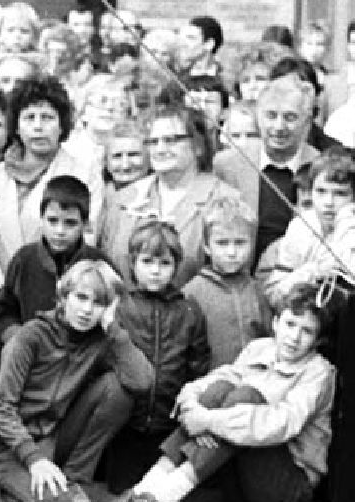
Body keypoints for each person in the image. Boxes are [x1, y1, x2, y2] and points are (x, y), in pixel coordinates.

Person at [102, 284, 335, 502]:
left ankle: (168, 496)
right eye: (290, 324)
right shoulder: (260, 348)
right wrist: (191, 407)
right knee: (221, 389)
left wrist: (209, 421)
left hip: (284, 488)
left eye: (307, 331)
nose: (294, 337)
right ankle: (145, 489)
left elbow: (282, 423)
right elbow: (215, 380)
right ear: (276, 323)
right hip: (240, 482)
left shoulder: (318, 372)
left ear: (317, 340)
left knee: (246, 396)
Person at [0, 258, 153, 502]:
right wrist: (34, 459)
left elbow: (142, 382)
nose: (86, 310)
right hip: (10, 446)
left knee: (118, 388)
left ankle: (73, 480)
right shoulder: (30, 337)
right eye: (81, 297)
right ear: (64, 296)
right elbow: (0, 409)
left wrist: (113, 330)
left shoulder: (101, 339)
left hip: (55, 435)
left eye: (98, 303)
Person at [0, 72, 104, 289]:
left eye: (47, 118)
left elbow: (87, 237)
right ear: (16, 127)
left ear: (62, 125)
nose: (38, 126)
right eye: (29, 117)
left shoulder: (83, 174)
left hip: (59, 295)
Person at [105, 219, 210, 490]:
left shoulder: (188, 310)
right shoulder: (121, 306)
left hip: (168, 425)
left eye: (164, 264)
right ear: (133, 263)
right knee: (121, 489)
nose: (155, 271)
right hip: (126, 426)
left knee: (157, 492)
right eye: (148, 262)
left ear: (176, 266)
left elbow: (197, 365)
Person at [100, 99, 240, 285]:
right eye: (153, 141)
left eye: (170, 140)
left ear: (198, 146)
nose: (159, 149)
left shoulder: (225, 200)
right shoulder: (122, 200)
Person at [214, 72, 321, 264]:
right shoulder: (227, 164)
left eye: (290, 117)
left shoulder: (319, 167)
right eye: (271, 116)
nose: (279, 127)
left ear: (306, 123)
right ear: (258, 118)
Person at [0, 174, 110, 342]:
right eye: (52, 221)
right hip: (32, 358)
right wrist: (18, 338)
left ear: (85, 224)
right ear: (41, 219)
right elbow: (4, 311)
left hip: (84, 360)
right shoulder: (24, 259)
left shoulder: (99, 264)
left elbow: (114, 316)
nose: (60, 231)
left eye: (70, 223)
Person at [256, 148, 355, 308]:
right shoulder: (300, 228)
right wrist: (314, 271)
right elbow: (274, 295)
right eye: (321, 191)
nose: (328, 202)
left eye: (340, 194)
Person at [183, 194, 271, 367]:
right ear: (207, 247)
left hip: (253, 382)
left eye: (240, 243)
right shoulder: (191, 293)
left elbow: (268, 340)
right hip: (209, 384)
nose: (231, 252)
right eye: (222, 243)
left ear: (252, 244)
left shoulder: (257, 290)